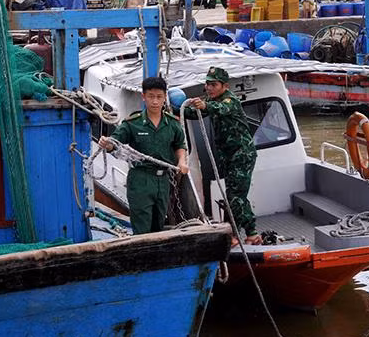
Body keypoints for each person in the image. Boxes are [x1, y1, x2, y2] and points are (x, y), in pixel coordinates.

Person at [98, 77, 188, 234]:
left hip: (163, 180)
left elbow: (180, 145)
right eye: (151, 96)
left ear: (165, 97)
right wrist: (108, 144)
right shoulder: (133, 123)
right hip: (141, 179)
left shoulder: (173, 124)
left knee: (159, 226)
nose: (155, 101)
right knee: (142, 228)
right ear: (143, 96)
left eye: (159, 97)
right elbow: (115, 142)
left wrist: (182, 161)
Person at [185, 67, 261, 246]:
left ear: (224, 86)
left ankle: (242, 235)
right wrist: (173, 110)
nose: (209, 88)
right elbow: (195, 113)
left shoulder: (229, 101)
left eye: (213, 84)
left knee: (236, 197)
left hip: (241, 155)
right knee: (235, 195)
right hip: (228, 156)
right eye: (207, 84)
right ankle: (244, 233)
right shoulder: (213, 100)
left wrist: (205, 105)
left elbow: (220, 108)